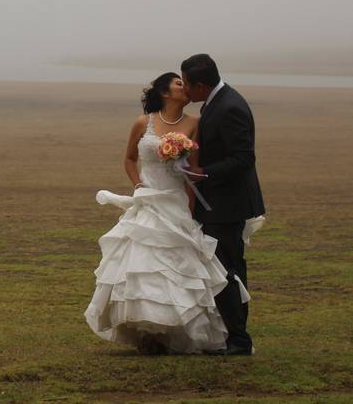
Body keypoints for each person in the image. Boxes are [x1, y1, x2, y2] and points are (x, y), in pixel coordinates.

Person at [84, 72, 241, 355]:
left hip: (175, 200)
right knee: (142, 262)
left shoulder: (195, 123)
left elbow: (193, 170)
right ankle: (147, 331)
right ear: (164, 92)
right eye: (179, 83)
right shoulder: (143, 122)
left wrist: (190, 209)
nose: (185, 86)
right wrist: (139, 184)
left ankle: (176, 330)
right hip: (148, 199)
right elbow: (130, 158)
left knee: (177, 266)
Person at [180, 54, 265, 356]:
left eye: (187, 85)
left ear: (200, 85)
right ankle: (233, 336)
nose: (185, 91)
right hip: (219, 203)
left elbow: (244, 158)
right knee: (224, 269)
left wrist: (206, 172)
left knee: (226, 271)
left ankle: (239, 340)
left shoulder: (230, 107)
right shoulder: (217, 102)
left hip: (228, 205)